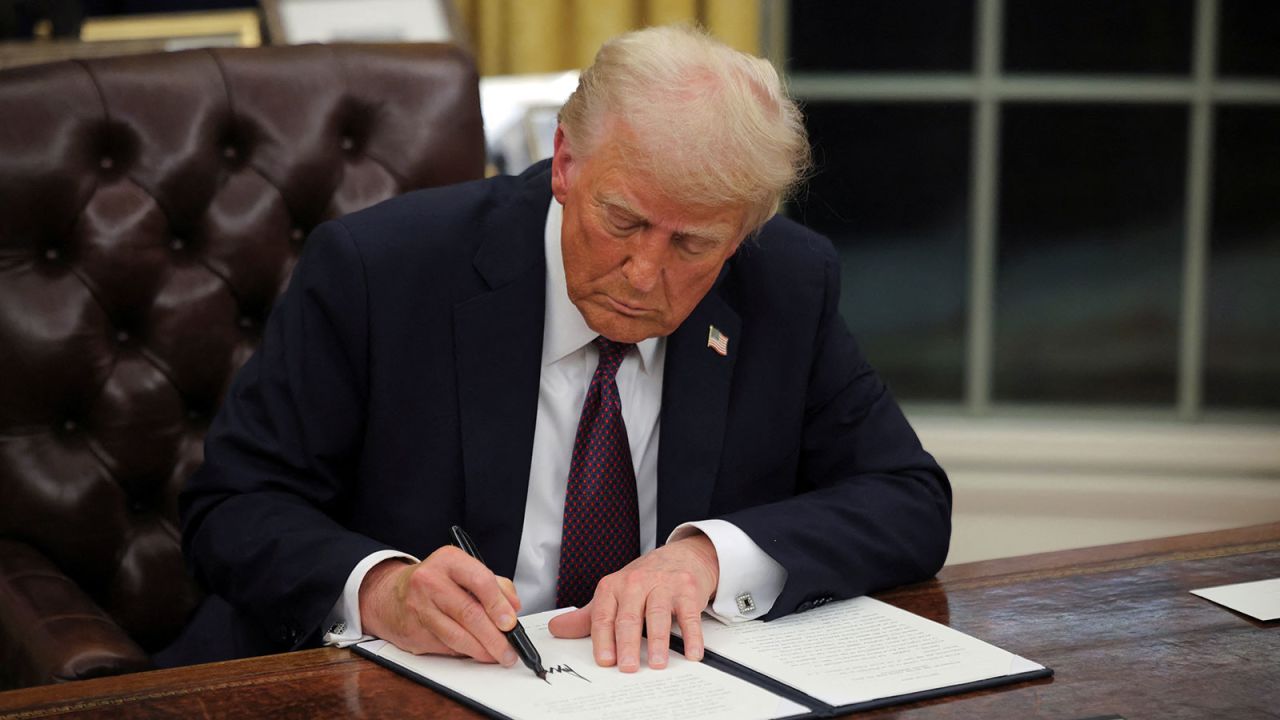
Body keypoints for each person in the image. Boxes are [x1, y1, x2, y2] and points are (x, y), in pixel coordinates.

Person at [165, 25, 951, 674]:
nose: (645, 276)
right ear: (566, 162)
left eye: (693, 245)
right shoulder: (380, 272)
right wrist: (382, 590)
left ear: (743, 233)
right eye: (624, 222)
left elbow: (907, 498)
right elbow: (231, 506)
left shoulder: (785, 284)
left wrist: (708, 559)